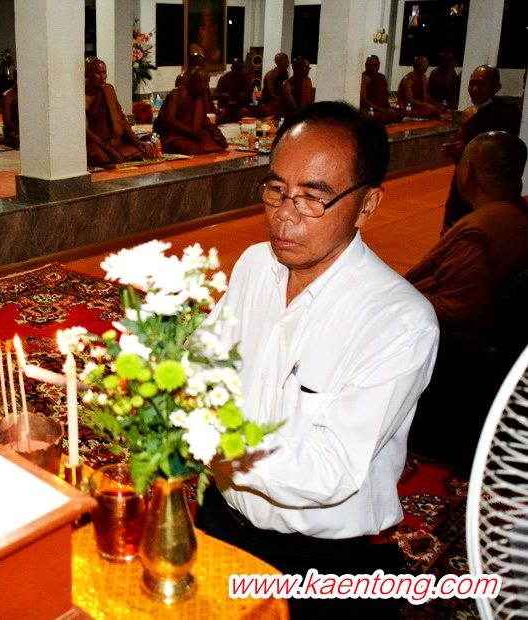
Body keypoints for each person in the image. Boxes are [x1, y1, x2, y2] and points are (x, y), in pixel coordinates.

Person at [192, 101, 438, 619]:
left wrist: (203, 436)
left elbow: (330, 471)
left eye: (312, 197)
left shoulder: (399, 321)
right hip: (220, 517)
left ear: (367, 204)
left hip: (316, 561)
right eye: (276, 189)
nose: (284, 213)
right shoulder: (256, 264)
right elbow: (206, 353)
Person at [407, 132, 528, 330]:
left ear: (468, 171)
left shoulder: (479, 232)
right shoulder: (517, 211)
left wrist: (394, 295)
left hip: (450, 337)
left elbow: (452, 309)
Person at [438, 65, 521, 232]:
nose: (475, 89)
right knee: (452, 229)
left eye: (482, 84)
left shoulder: (507, 114)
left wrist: (466, 150)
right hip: (463, 183)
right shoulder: (468, 113)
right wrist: (453, 149)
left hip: (488, 187)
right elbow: (462, 148)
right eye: (472, 83)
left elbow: (504, 154)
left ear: (496, 88)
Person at [84, 57, 154, 167]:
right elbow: (86, 131)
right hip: (96, 143)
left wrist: (136, 141)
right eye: (98, 73)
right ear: (87, 75)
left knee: (145, 150)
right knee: (96, 155)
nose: (102, 77)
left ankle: (116, 156)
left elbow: (121, 118)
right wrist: (108, 149)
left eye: (104, 73)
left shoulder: (109, 90)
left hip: (115, 141)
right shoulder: (80, 96)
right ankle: (118, 155)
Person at [156, 68, 228, 156]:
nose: (207, 86)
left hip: (193, 135)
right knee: (190, 148)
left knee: (221, 142)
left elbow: (203, 119)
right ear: (195, 82)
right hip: (175, 135)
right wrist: (191, 132)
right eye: (205, 82)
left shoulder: (198, 96)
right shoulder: (177, 93)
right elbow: (170, 119)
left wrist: (213, 130)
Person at [360, 55, 399, 123]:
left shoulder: (382, 77)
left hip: (383, 109)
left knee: (400, 112)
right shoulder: (362, 78)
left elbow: (384, 97)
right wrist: (383, 110)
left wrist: (387, 108)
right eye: (370, 65)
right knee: (378, 116)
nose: (373, 68)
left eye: (375, 65)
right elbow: (363, 100)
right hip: (370, 109)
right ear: (366, 65)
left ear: (379, 64)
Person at [214, 58, 255, 122]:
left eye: (240, 70)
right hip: (227, 108)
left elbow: (250, 93)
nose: (238, 73)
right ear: (232, 68)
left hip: (241, 106)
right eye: (236, 70)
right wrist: (224, 95)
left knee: (251, 112)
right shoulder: (224, 78)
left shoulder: (246, 77)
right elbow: (214, 95)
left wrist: (246, 94)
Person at [275, 56, 314, 121]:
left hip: (303, 117)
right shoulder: (286, 85)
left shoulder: (307, 81)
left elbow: (311, 103)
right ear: (296, 69)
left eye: (308, 68)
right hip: (288, 120)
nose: (307, 71)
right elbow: (293, 108)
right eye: (305, 68)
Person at [1, 72, 19, 149]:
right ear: (15, 80)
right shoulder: (7, 96)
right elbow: (7, 122)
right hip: (13, 131)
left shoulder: (29, 94)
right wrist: (22, 129)